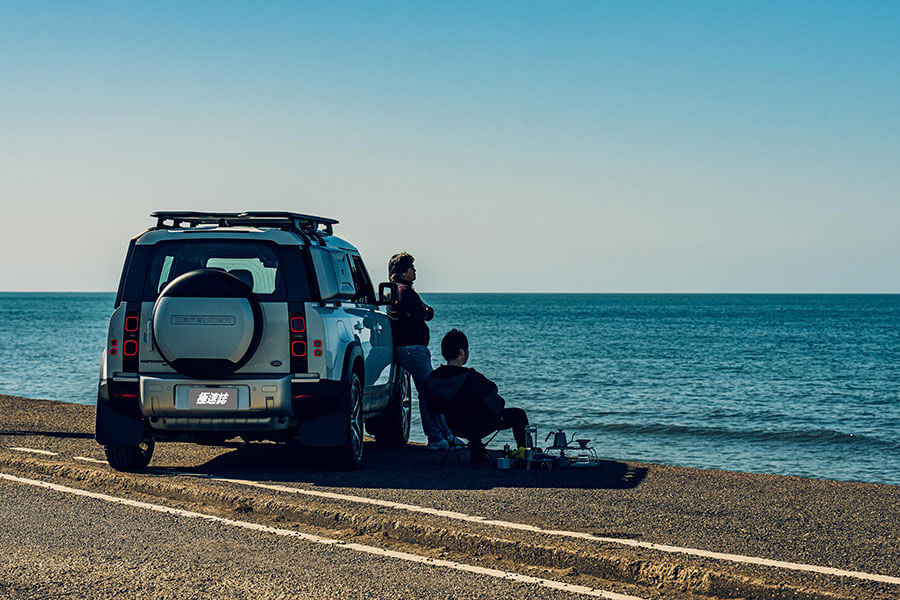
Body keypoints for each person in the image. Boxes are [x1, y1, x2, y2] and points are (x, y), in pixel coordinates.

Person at [426, 329, 529, 464]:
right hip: (476, 427)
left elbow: (432, 407)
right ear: (462, 352)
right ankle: (525, 452)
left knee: (470, 410)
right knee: (519, 415)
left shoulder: (434, 378)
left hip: (451, 427)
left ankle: (477, 449)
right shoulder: (470, 377)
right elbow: (495, 399)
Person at [387, 252, 453, 450]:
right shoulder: (405, 292)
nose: (415, 271)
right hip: (413, 349)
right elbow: (424, 313)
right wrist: (424, 310)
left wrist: (424, 311)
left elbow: (424, 312)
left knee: (427, 391)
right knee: (430, 391)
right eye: (411, 268)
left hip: (410, 349)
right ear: (402, 272)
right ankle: (438, 436)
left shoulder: (397, 292)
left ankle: (442, 435)